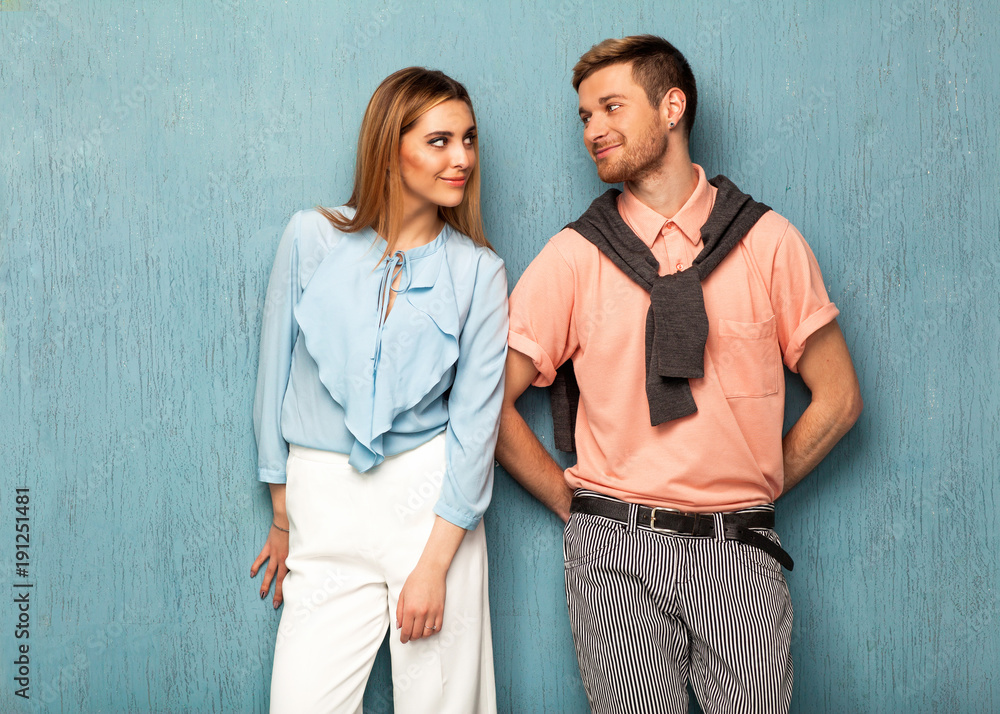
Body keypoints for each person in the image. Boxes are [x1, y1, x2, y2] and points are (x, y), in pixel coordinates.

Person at [497, 35, 862, 714]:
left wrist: (754, 480)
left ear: (672, 106)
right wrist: (574, 508)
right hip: (612, 553)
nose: (594, 131)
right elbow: (487, 402)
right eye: (584, 117)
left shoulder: (767, 243)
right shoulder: (573, 257)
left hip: (739, 551)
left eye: (610, 107)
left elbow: (839, 399)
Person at [249, 67, 507, 714]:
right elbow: (271, 377)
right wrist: (283, 512)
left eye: (469, 141)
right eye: (440, 141)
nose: (463, 159)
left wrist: (435, 564)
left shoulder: (480, 273)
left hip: (432, 514)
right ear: (391, 147)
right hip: (324, 504)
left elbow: (475, 427)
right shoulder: (310, 236)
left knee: (444, 703)